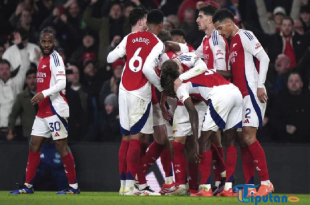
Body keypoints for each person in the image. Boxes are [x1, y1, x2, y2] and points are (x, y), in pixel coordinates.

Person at [10, 28, 79, 195]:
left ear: (54, 42)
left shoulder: (56, 59)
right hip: (43, 110)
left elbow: (62, 83)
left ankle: (73, 187)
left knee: (61, 147)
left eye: (49, 42)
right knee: (34, 145)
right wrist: (42, 97)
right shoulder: (42, 59)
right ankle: (28, 186)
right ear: (40, 42)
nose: (47, 44)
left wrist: (43, 93)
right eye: (44, 41)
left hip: (56, 109)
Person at [213, 8, 273, 196]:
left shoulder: (245, 35)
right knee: (243, 140)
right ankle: (249, 186)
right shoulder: (231, 45)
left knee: (248, 136)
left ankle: (266, 183)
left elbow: (264, 57)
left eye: (221, 28)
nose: (220, 33)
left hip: (252, 93)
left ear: (230, 23)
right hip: (240, 98)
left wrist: (261, 85)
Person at [107, 9, 164, 196]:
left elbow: (110, 58)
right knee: (136, 138)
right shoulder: (156, 42)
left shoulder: (129, 38)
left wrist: (126, 55)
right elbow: (148, 69)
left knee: (125, 137)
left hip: (123, 90)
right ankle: (132, 186)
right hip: (139, 92)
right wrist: (161, 86)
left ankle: (124, 185)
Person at [0, 32, 30, 141]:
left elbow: (25, 66)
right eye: (1, 69)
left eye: (6, 69)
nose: (4, 72)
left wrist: (20, 46)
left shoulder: (16, 83)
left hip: (16, 129)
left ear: (10, 70)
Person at [270, 72, 310, 143]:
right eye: (291, 81)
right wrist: (285, 127)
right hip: (285, 138)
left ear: (301, 84)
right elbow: (274, 118)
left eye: (296, 81)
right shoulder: (281, 97)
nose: (293, 84)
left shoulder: (307, 97)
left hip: (306, 138)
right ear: (287, 84)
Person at [7, 68, 37, 141]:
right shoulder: (22, 97)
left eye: (34, 77)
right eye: (29, 78)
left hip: (47, 136)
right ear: (26, 81)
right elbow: (13, 115)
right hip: (30, 135)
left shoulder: (46, 95)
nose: (32, 80)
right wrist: (10, 132)